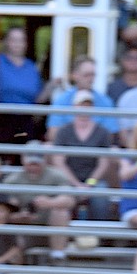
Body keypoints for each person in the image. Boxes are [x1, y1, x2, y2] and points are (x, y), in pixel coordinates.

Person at [49, 89, 114, 221]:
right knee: (63, 195)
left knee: (101, 195)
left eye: (88, 105)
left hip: (94, 181)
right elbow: (59, 162)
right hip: (69, 180)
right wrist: (77, 185)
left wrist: (89, 184)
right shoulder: (64, 132)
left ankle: (98, 235)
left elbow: (103, 163)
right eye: (81, 105)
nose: (85, 109)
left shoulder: (103, 132)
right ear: (74, 107)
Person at [3, 152, 74, 261]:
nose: (33, 167)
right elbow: (5, 208)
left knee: (60, 212)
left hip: (51, 225)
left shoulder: (56, 176)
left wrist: (49, 203)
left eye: (37, 164)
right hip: (25, 227)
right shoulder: (12, 180)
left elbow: (69, 200)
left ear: (44, 162)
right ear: (23, 161)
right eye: (30, 164)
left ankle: (57, 256)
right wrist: (19, 216)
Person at [45, 56, 118, 142]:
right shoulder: (61, 101)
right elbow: (52, 135)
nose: (91, 79)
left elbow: (110, 137)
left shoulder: (106, 102)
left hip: (96, 151)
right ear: (75, 75)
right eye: (87, 75)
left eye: (93, 75)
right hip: (67, 150)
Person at [0, 26, 45, 146]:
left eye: (21, 40)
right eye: (13, 40)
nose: (18, 44)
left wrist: (52, 86)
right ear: (6, 42)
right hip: (2, 117)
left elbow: (38, 98)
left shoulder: (32, 67)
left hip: (26, 119)